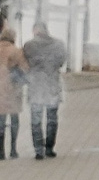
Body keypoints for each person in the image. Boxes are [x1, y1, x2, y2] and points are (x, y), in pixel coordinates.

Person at [22, 24, 66, 158]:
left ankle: (38, 150)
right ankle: (49, 148)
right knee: (52, 118)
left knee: (36, 119)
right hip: (52, 84)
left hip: (35, 86)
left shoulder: (29, 45)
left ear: (35, 30)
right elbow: (61, 62)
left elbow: (25, 64)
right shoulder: (59, 44)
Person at [0, 34, 28, 159]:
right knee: (14, 119)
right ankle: (13, 150)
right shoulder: (17, 51)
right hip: (14, 89)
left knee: (0, 119)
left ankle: (1, 151)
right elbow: (24, 69)